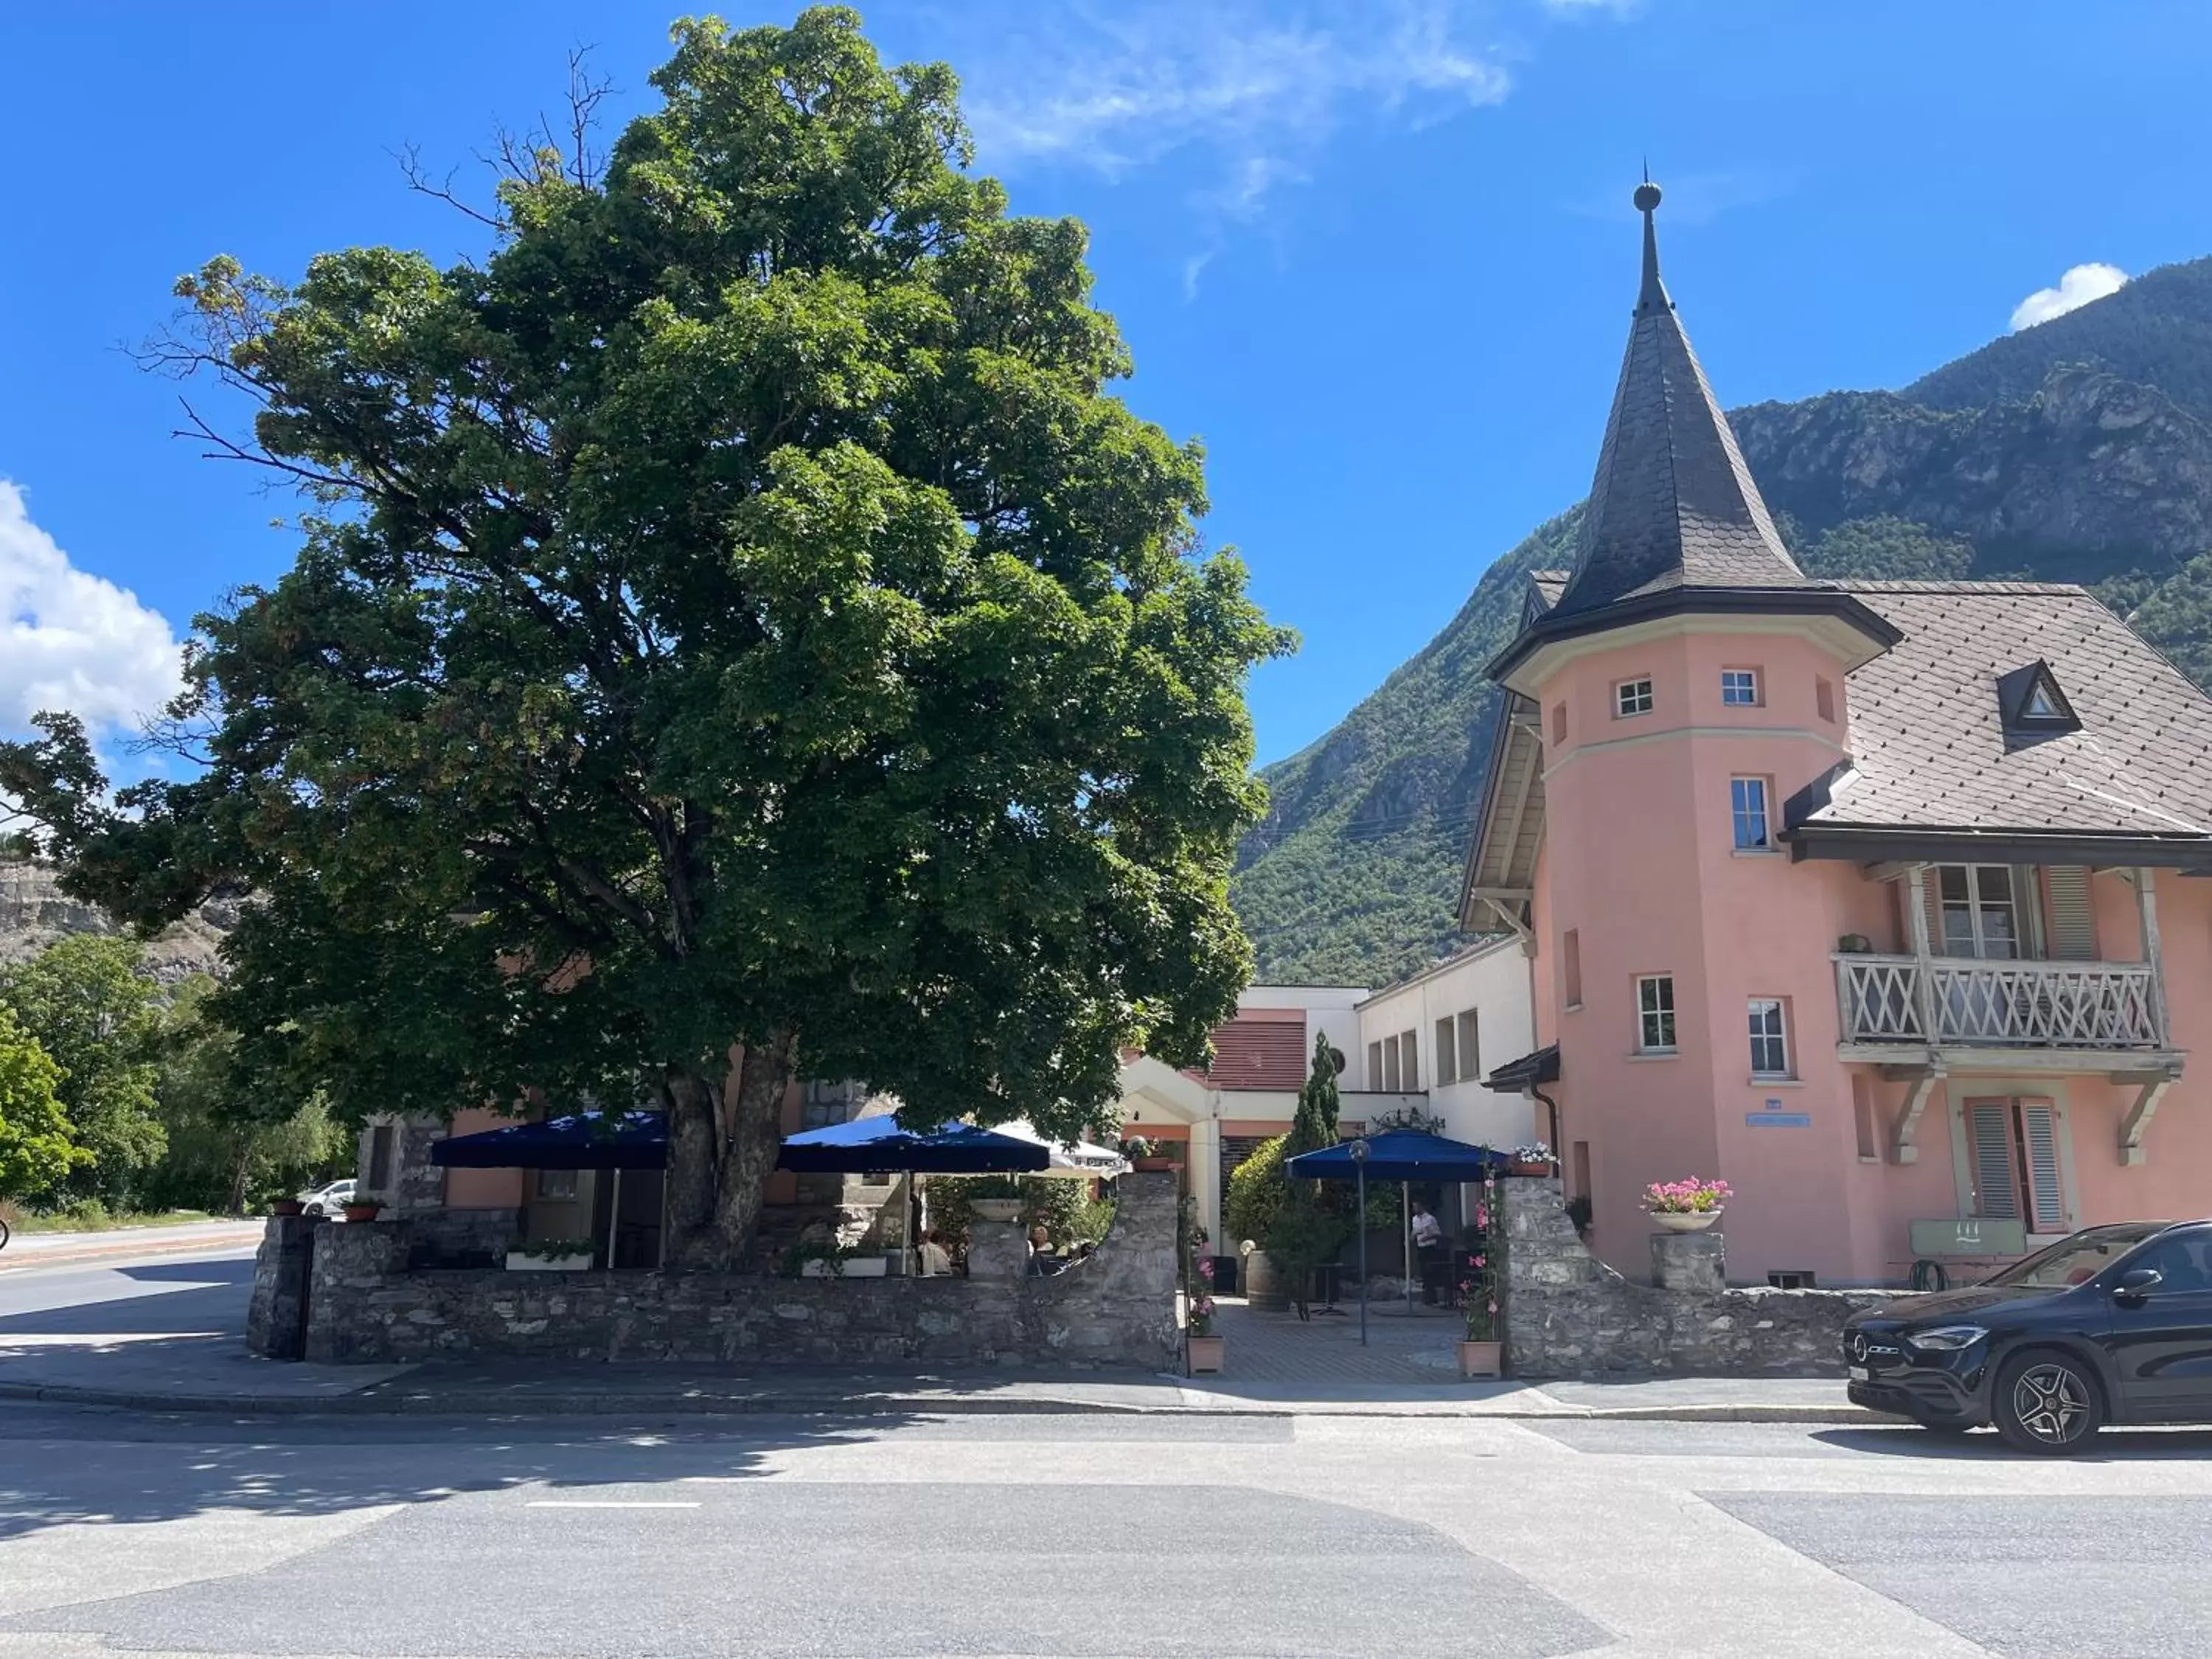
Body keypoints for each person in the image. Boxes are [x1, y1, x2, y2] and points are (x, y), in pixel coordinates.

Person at [1411, 1200, 1445, 1304]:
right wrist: (1411, 1237)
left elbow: (1437, 1233)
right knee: (1423, 1273)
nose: (1415, 1209)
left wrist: (1427, 1237)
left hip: (1429, 1247)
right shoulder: (1415, 1219)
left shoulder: (1430, 1219)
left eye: (1416, 1207)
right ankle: (1427, 1296)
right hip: (1420, 1248)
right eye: (1413, 1207)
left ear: (1421, 1206)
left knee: (1430, 1272)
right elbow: (1415, 1231)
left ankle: (1432, 1297)